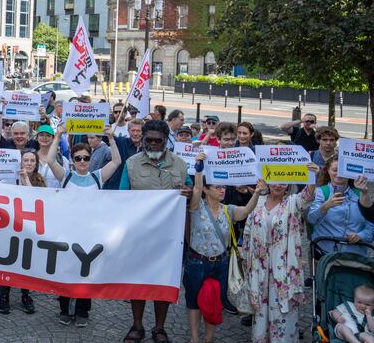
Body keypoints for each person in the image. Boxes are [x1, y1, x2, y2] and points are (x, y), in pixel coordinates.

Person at [123, 120, 191, 343]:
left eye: (157, 140)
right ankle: (137, 325)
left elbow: (190, 189)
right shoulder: (131, 164)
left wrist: (189, 193)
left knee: (164, 281)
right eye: (148, 140)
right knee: (138, 281)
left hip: (169, 237)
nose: (152, 144)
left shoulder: (180, 165)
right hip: (139, 235)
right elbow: (121, 198)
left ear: (166, 140)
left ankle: (159, 328)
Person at [48, 125, 122, 327]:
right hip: (67, 233)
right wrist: (58, 135)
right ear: (72, 160)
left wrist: (111, 138)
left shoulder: (97, 177)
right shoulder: (66, 176)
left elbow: (116, 161)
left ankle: (82, 311)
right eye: (78, 158)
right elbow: (50, 160)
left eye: (86, 158)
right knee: (65, 271)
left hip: (89, 235)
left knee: (85, 274)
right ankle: (64, 309)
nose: (82, 162)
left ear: (91, 159)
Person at [185, 157, 265, 343]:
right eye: (218, 187)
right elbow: (195, 189)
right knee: (194, 300)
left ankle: (209, 337)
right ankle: (195, 338)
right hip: (196, 262)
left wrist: (258, 194)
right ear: (206, 190)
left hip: (220, 262)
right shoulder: (197, 207)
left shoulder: (228, 210)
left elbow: (245, 212)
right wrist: (199, 169)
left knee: (214, 301)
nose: (222, 190)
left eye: (224, 188)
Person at [241, 162, 320, 342]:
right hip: (259, 265)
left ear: (288, 184)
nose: (278, 185)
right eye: (275, 181)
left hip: (284, 266)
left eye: (283, 182)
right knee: (261, 309)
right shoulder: (258, 201)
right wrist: (245, 256)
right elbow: (247, 230)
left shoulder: (292, 202)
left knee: (282, 309)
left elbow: (308, 195)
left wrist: (312, 176)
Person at [0, 148, 42, 316]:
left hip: (29, 230)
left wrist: (26, 180)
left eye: (32, 161)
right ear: (20, 162)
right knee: (7, 261)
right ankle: (4, 295)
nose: (29, 163)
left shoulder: (39, 181)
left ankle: (25, 295)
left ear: (36, 164)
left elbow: (36, 198)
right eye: (26, 160)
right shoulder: (8, 180)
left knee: (26, 263)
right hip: (10, 228)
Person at [308, 155, 374, 256]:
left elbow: (371, 225)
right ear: (328, 171)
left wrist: (361, 235)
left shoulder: (360, 194)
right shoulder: (321, 192)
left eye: (343, 170)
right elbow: (311, 219)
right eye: (335, 170)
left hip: (356, 256)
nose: (339, 174)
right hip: (325, 253)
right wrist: (326, 206)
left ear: (350, 173)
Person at [113, 118, 145, 190]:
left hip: (140, 188)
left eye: (138, 131)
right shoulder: (121, 142)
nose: (135, 133)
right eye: (133, 130)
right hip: (122, 185)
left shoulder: (147, 147)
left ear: (143, 132)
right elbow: (109, 139)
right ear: (128, 131)